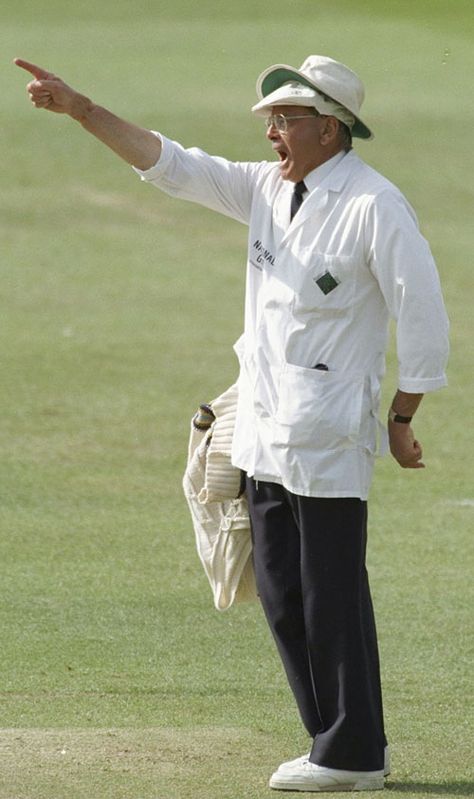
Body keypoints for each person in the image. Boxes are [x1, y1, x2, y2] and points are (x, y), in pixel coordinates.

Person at [15, 54, 449, 792]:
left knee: (331, 590)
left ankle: (355, 749)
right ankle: (330, 741)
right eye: (272, 120)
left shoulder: (375, 204)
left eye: (286, 120)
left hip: (329, 429)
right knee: (280, 589)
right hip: (263, 423)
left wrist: (404, 414)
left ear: (330, 127)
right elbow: (171, 163)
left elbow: (424, 313)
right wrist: (84, 111)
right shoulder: (265, 190)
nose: (272, 132)